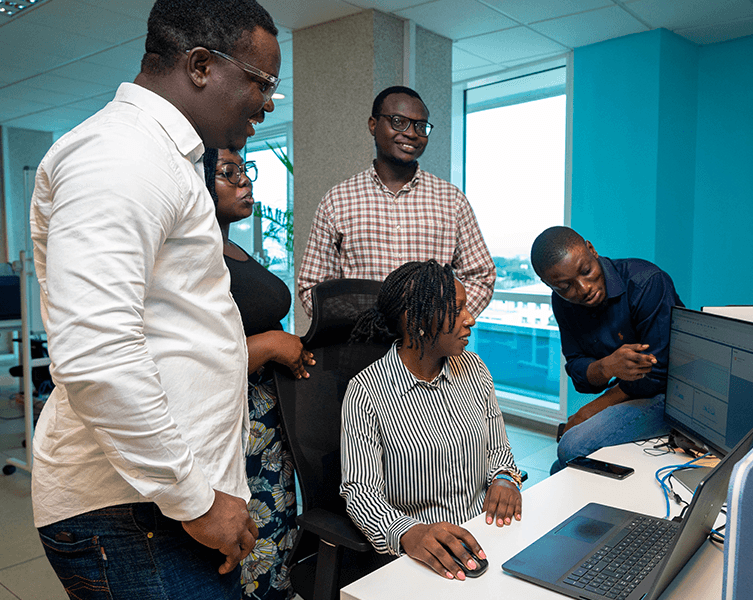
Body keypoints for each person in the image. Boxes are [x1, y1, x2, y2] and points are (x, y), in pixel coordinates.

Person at [29, 1, 281, 598]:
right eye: (261, 80)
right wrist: (195, 499)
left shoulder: (164, 159)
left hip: (160, 502)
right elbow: (97, 355)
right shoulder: (122, 155)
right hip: (134, 511)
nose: (268, 101)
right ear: (200, 65)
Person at [340, 260, 522, 580]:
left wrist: (505, 478)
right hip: (424, 557)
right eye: (459, 309)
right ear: (418, 320)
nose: (472, 320)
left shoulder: (474, 368)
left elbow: (498, 448)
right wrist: (409, 533)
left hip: (488, 533)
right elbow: (361, 491)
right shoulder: (365, 392)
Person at [205, 147, 313, 599]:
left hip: (269, 417)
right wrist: (270, 345)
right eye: (227, 173)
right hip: (231, 424)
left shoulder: (232, 248)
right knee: (245, 540)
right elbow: (196, 358)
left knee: (277, 533)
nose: (244, 181)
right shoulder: (191, 256)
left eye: (245, 170)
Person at [296, 86, 496, 318]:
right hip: (361, 349)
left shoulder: (451, 200)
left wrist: (441, 322)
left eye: (420, 126)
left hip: (431, 350)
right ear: (373, 125)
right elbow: (312, 286)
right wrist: (358, 326)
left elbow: (481, 276)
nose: (412, 133)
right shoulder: (337, 201)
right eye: (399, 121)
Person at [530, 227, 684, 474]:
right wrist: (606, 367)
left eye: (586, 271)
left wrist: (592, 408)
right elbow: (578, 369)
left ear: (592, 250)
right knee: (562, 465)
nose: (583, 289)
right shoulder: (562, 301)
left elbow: (657, 375)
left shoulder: (646, 282)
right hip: (630, 393)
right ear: (548, 284)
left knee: (570, 449)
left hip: (673, 395)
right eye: (564, 286)